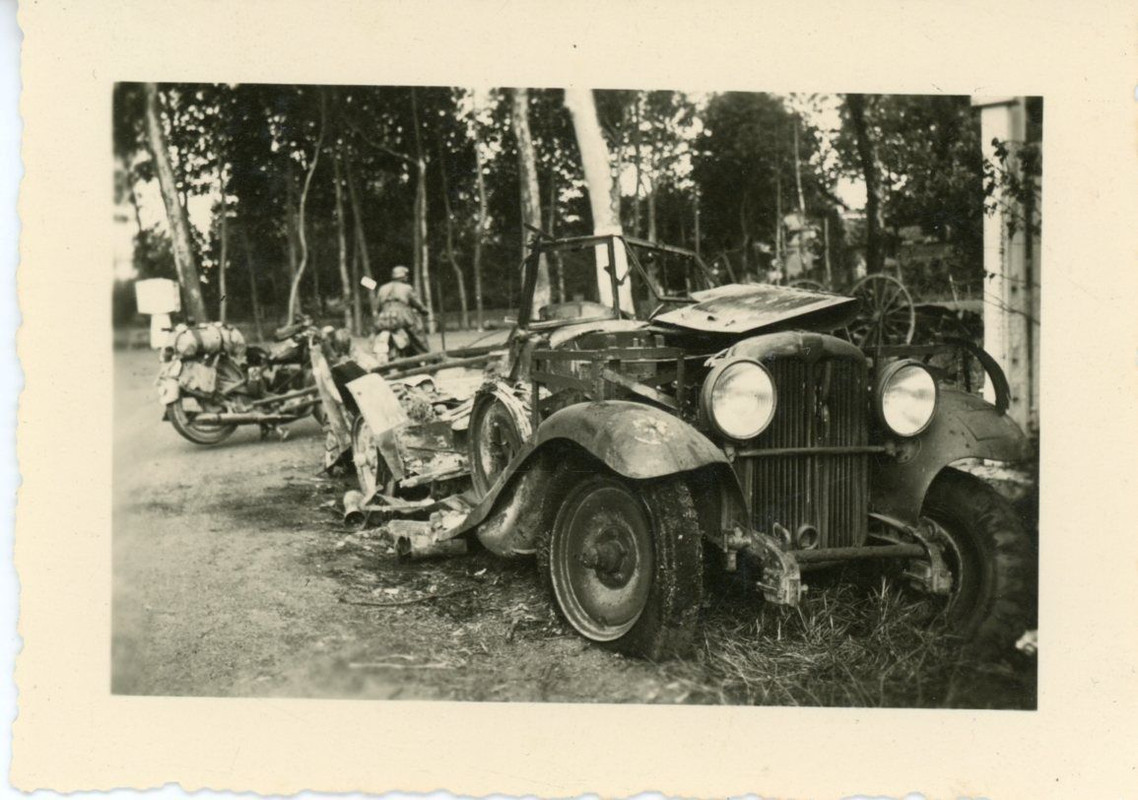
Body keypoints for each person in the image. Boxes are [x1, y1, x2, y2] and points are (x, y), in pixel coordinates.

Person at [372, 265, 429, 356]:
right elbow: (417, 303)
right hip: (402, 317)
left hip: (384, 318)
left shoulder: (382, 288)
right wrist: (424, 310)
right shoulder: (407, 288)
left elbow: (377, 306)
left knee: (375, 334)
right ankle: (426, 356)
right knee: (417, 332)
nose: (407, 277)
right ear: (403, 277)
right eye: (406, 275)